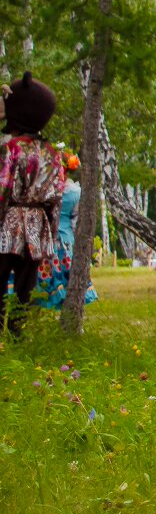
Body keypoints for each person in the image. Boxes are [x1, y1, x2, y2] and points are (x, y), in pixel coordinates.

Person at [0, 74, 76, 332]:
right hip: (38, 224)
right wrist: (51, 231)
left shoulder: (12, 149)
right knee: (26, 283)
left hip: (10, 222)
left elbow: (4, 188)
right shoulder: (52, 153)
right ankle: (17, 330)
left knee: (0, 277)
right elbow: (57, 196)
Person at [34, 176, 97, 310]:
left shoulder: (42, 190)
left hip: (46, 236)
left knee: (48, 271)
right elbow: (76, 221)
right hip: (66, 237)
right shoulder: (75, 193)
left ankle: (48, 299)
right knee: (67, 270)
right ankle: (69, 303)